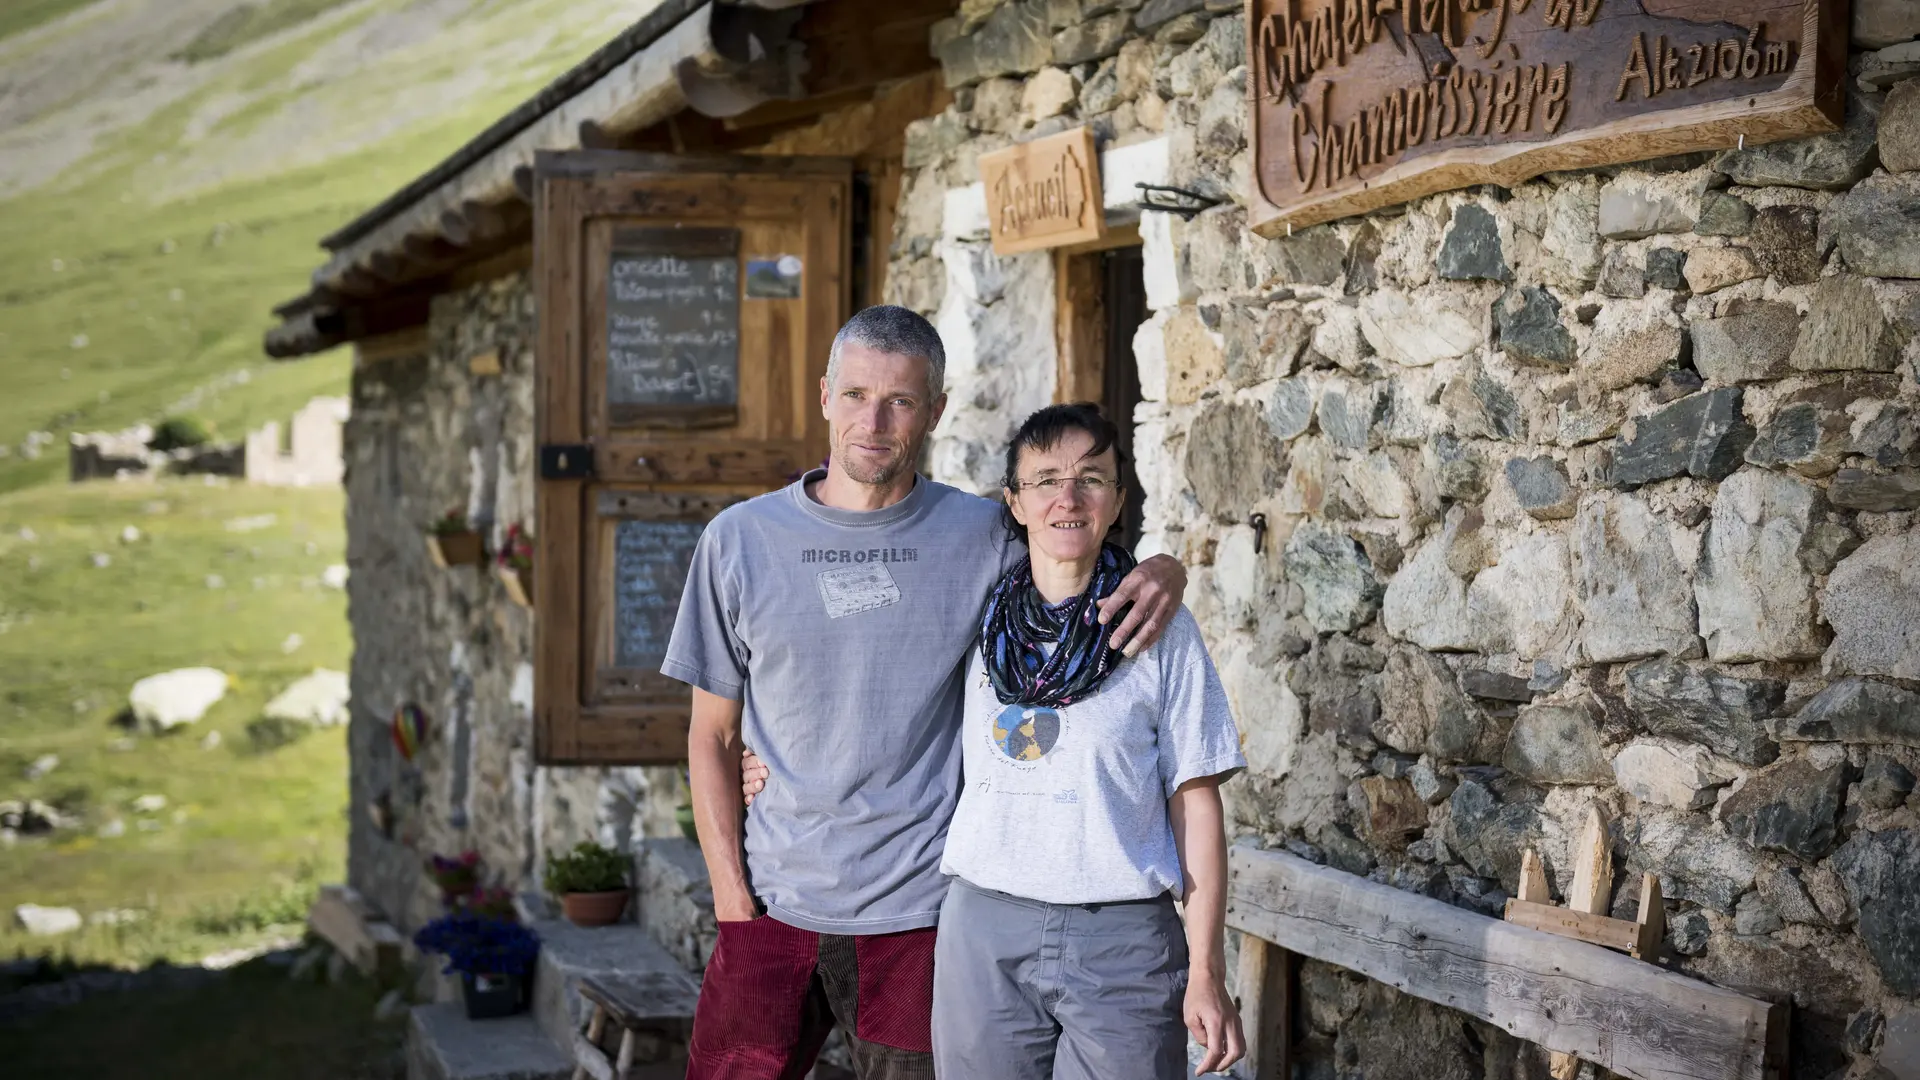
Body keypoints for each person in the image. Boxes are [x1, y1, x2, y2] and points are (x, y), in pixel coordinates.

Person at [661, 305, 1189, 1080]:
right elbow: (710, 736)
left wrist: (1165, 566)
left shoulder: (981, 534)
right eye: (855, 395)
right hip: (770, 906)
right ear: (823, 396)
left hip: (920, 915)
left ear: (935, 410)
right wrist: (731, 900)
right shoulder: (739, 541)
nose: (873, 421)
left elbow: (1073, 537)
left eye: (901, 400)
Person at [932, 404, 1246, 1079]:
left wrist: (1206, 969)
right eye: (1044, 480)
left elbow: (1196, 806)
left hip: (1122, 941)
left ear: (1118, 499)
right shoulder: (976, 613)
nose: (1067, 498)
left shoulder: (1162, 631)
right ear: (1014, 504)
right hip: (984, 932)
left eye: (1091, 479)